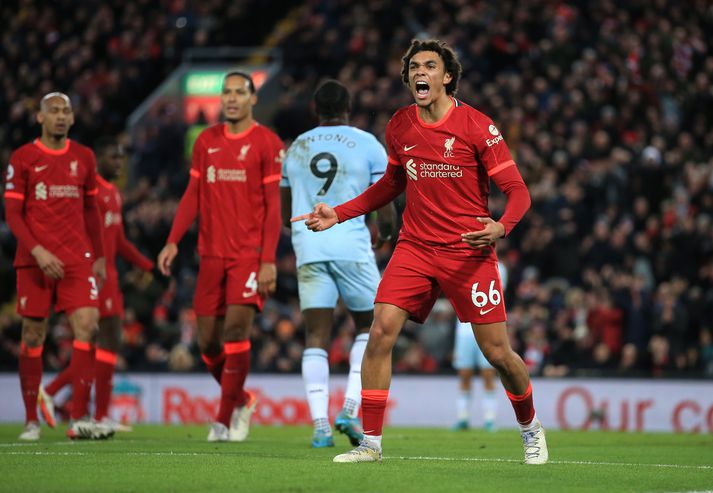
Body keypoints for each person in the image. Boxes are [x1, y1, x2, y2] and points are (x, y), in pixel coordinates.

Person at [293, 39, 549, 465]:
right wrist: (339, 213)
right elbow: (392, 185)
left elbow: (518, 191)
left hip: (468, 251)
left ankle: (530, 428)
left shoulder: (477, 127)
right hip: (415, 248)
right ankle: (371, 444)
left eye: (430, 66)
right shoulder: (400, 125)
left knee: (499, 355)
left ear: (447, 77)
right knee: (380, 331)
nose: (420, 73)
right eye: (414, 67)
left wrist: (502, 226)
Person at [157, 71, 283, 442]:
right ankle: (243, 399)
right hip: (210, 255)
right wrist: (172, 240)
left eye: (238, 92)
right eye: (225, 92)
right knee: (208, 343)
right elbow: (192, 193)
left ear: (252, 99)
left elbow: (273, 208)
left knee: (234, 332)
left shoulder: (267, 142)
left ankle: (223, 419)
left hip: (248, 255)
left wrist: (268, 260)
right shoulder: (206, 141)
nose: (230, 98)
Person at [281, 80, 396, 448]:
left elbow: (288, 213)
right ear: (349, 107)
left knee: (315, 336)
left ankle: (319, 427)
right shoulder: (366, 144)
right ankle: (348, 408)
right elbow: (385, 202)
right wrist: (385, 234)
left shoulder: (296, 147)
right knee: (371, 327)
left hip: (310, 249)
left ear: (315, 109)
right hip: (351, 247)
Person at [3, 92, 113, 440]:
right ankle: (31, 420)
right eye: (53, 111)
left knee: (89, 328)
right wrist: (37, 251)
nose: (61, 116)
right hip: (35, 260)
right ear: (40, 117)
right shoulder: (23, 158)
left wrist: (97, 255)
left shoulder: (84, 157)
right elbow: (13, 214)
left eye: (66, 111)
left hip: (76, 258)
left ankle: (79, 418)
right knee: (33, 335)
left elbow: (91, 211)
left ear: (73, 118)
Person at [38, 137, 155, 433]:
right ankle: (63, 397)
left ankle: (82, 406)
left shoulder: (114, 193)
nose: (118, 163)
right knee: (98, 341)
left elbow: (118, 240)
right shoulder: (90, 193)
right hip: (95, 273)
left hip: (110, 275)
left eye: (120, 158)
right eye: (113, 158)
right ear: (98, 160)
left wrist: (146, 264)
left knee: (104, 345)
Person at [451, 261, 507, 432]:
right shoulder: (458, 262)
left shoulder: (499, 267)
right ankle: (463, 419)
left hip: (487, 326)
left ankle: (489, 420)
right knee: (464, 374)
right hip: (464, 331)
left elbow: (495, 293)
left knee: (488, 374)